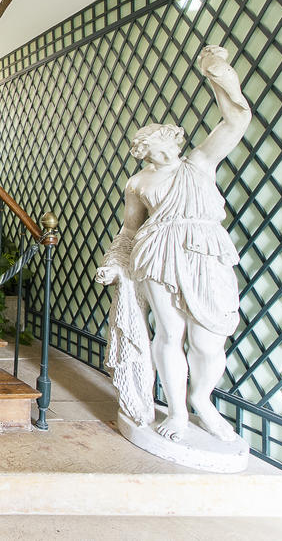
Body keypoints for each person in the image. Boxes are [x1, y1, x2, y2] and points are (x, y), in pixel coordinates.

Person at [96, 45, 251, 443]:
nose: (148, 149)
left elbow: (235, 122)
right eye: (144, 146)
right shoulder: (138, 183)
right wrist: (115, 262)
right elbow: (131, 230)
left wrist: (218, 74)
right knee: (168, 334)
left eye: (151, 143)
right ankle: (178, 410)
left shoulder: (199, 164)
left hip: (203, 253)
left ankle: (202, 398)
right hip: (157, 256)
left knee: (208, 340)